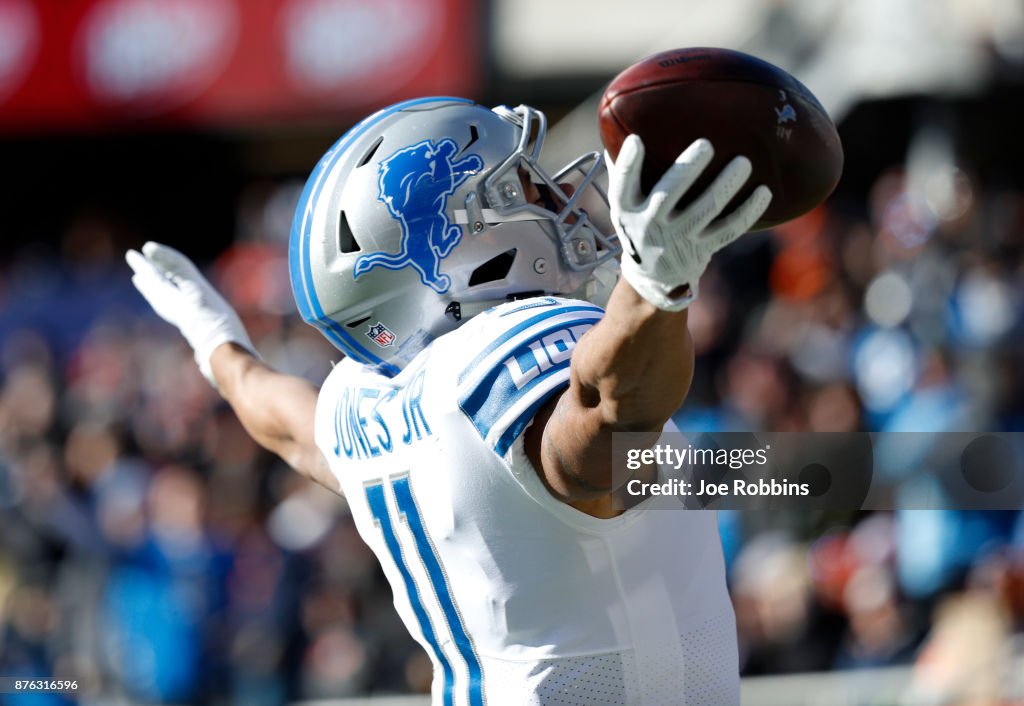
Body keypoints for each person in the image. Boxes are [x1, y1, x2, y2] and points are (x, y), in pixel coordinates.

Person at [127, 96, 771, 705]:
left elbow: (281, 421)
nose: (555, 199)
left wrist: (215, 340)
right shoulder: (508, 350)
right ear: (454, 241)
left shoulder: (365, 395)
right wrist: (654, 289)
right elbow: (601, 438)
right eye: (522, 187)